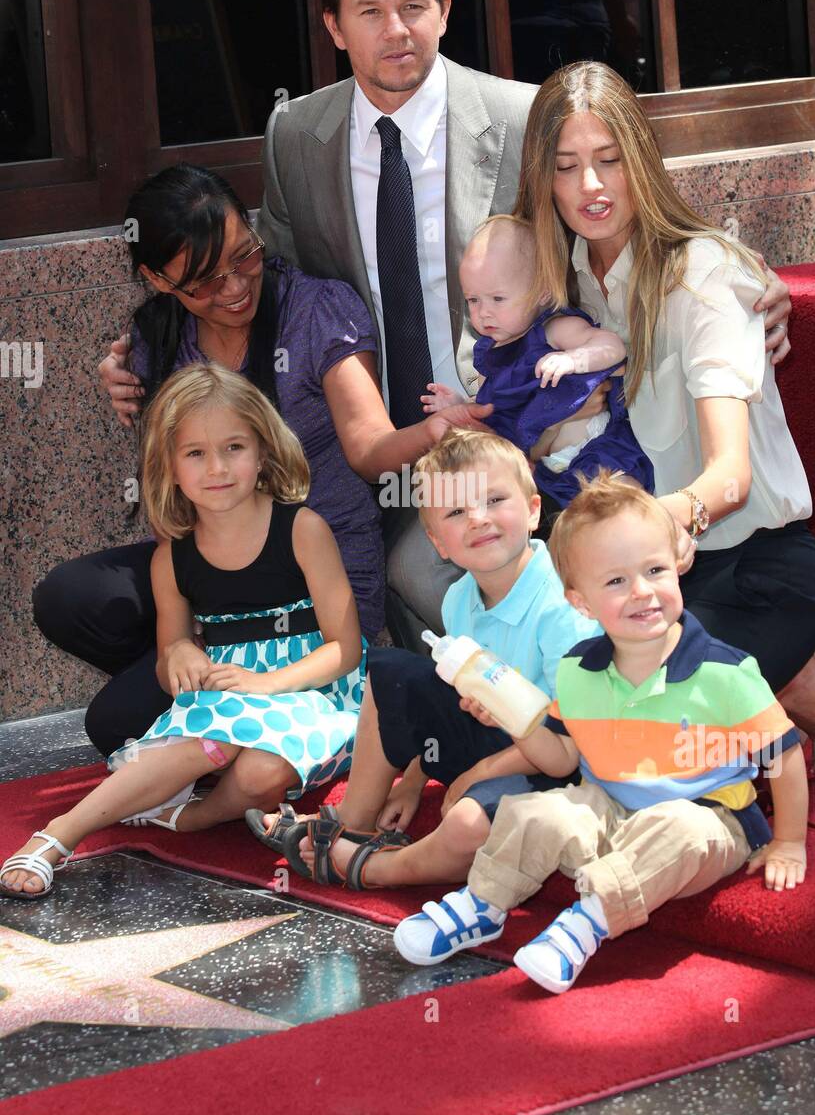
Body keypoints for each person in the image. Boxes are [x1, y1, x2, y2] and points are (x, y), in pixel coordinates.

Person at [97, 0, 792, 644]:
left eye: (413, 6)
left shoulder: (523, 117)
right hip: (370, 441)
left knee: (424, 574)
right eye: (369, 11)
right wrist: (144, 340)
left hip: (516, 428)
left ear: (445, 9)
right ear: (333, 25)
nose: (395, 30)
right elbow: (254, 259)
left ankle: (569, 712)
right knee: (420, 585)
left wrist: (748, 273)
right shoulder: (297, 135)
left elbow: (622, 204)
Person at [34, 164, 482, 757]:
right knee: (69, 596)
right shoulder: (158, 339)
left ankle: (260, 712)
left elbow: (369, 447)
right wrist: (181, 641)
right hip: (212, 582)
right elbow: (173, 492)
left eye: (244, 257)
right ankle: (220, 691)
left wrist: (433, 430)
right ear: (158, 280)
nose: (234, 287)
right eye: (203, 281)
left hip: (311, 582)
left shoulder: (315, 310)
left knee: (115, 725)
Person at [513, 61, 815, 781]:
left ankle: (801, 682)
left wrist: (645, 525)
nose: (592, 188)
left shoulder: (703, 276)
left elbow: (729, 476)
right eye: (568, 166)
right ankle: (776, 695)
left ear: (641, 160)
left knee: (635, 744)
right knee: (577, 726)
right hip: (648, 572)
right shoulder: (563, 280)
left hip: (756, 566)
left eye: (610, 160)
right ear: (542, 178)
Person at [393, 472, 809, 991]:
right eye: (615, 581)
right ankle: (484, 904)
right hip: (608, 806)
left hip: (710, 818)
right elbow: (562, 758)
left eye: (654, 570)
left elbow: (784, 755)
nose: (642, 592)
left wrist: (790, 842)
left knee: (682, 830)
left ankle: (587, 922)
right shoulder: (578, 670)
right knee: (533, 810)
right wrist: (515, 720)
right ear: (580, 602)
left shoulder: (723, 671)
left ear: (680, 565)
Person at [2, 364, 373, 900]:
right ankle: (59, 834)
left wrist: (270, 684)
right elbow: (169, 648)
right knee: (236, 752)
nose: (217, 467)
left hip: (313, 693)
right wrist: (178, 654)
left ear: (263, 451)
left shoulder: (302, 530)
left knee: (265, 771)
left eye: (234, 448)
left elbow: (345, 646)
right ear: (169, 467)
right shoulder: (170, 558)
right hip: (227, 700)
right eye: (195, 453)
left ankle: (192, 817)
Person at [245, 430, 598, 890]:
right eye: (456, 511)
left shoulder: (563, 607)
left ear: (533, 510)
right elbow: (450, 696)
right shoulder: (458, 600)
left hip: (559, 765)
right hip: (493, 739)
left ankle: (382, 868)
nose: (478, 519)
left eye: (494, 499)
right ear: (438, 543)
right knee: (391, 669)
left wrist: (476, 773)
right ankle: (353, 822)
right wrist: (414, 780)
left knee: (468, 821)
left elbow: (567, 745)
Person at [421, 214, 653, 506]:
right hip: (549, 473)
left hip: (594, 446)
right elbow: (495, 411)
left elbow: (612, 346)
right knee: (578, 532)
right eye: (473, 300)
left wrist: (576, 359)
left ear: (541, 290)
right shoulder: (494, 354)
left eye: (498, 299)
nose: (484, 313)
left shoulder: (553, 330)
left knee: (622, 504)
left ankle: (652, 533)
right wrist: (461, 406)